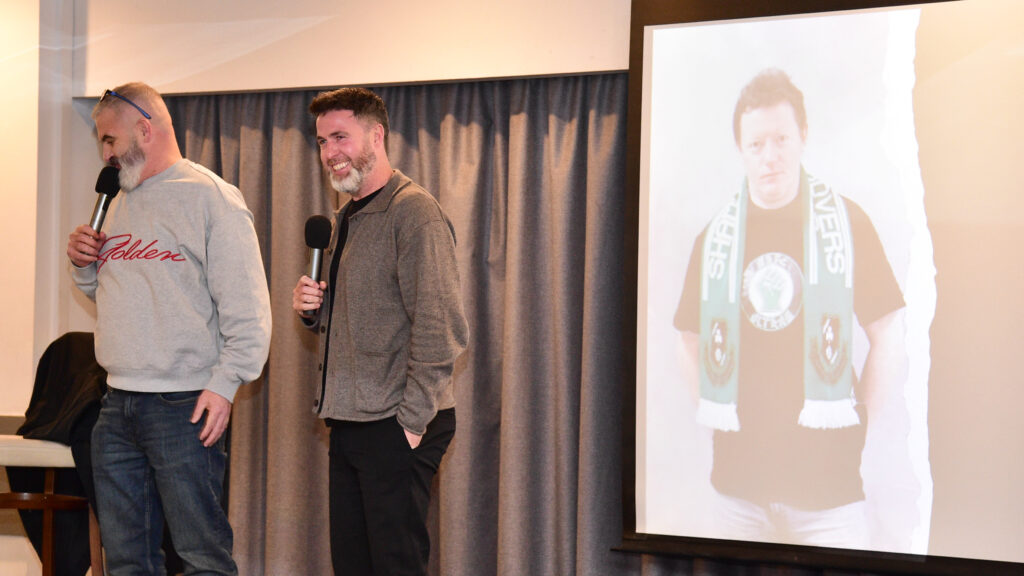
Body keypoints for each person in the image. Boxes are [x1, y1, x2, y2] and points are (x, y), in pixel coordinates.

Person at [674, 69, 916, 550]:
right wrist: (713, 409)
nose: (770, 156)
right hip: (737, 495)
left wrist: (861, 421)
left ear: (803, 135)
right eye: (756, 144)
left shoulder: (847, 224)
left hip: (829, 497)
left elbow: (888, 330)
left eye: (781, 139)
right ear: (741, 149)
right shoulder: (715, 238)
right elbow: (687, 338)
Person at [66, 82, 272, 575]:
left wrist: (225, 386)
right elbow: (114, 296)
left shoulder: (212, 198)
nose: (105, 154)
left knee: (202, 558)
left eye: (110, 139)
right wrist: (82, 265)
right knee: (125, 560)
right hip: (116, 404)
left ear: (145, 129)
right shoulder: (116, 200)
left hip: (184, 406)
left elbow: (249, 310)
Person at [292, 87, 468, 575]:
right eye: (322, 141)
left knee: (395, 565)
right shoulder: (344, 215)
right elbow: (361, 318)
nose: (330, 152)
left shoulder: (413, 212)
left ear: (376, 136)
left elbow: (441, 328)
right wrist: (312, 311)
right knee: (353, 565)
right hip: (349, 421)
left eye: (341, 137)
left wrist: (409, 425)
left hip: (396, 422)